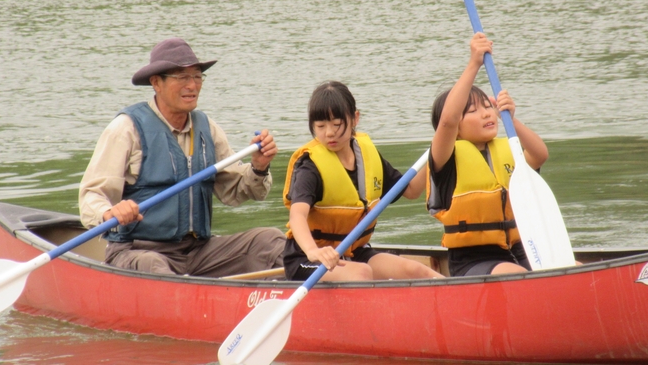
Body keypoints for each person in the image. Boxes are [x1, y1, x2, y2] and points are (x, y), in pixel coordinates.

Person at [79, 37, 285, 277]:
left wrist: (259, 167)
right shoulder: (125, 129)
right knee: (154, 267)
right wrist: (110, 212)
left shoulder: (208, 129)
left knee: (270, 241)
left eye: (197, 76)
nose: (192, 85)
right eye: (182, 77)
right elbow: (91, 196)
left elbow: (236, 192)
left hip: (198, 251)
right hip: (137, 250)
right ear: (156, 83)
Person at [282, 81, 444, 282]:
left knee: (416, 270)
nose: (329, 133)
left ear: (355, 118)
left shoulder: (366, 155)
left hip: (353, 252)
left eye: (336, 124)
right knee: (361, 273)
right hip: (308, 259)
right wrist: (313, 251)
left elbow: (411, 190)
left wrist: (440, 144)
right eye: (321, 126)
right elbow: (297, 214)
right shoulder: (310, 167)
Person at [427, 32, 549, 276]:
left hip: (522, 249)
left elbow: (539, 154)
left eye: (487, 106)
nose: (486, 114)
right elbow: (448, 120)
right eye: (472, 110)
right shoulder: (444, 159)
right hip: (473, 261)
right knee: (514, 274)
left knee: (574, 268)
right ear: (457, 128)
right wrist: (474, 63)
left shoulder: (507, 150)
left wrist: (512, 120)